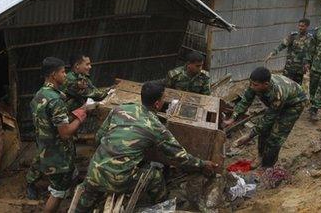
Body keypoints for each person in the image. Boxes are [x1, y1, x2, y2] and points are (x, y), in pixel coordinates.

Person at [72, 82, 218, 212]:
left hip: (94, 171)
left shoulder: (120, 109)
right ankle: (161, 206)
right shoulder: (156, 127)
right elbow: (180, 156)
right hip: (118, 180)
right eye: (163, 99)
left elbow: (98, 138)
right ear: (157, 104)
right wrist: (202, 164)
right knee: (155, 175)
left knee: (88, 196)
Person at [26, 57, 88, 212]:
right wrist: (81, 116)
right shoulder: (56, 101)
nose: (65, 75)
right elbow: (65, 133)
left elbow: (49, 123)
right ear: (54, 75)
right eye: (63, 72)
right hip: (59, 156)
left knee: (62, 187)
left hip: (46, 150)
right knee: (57, 193)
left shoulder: (40, 94)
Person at [223, 67, 307, 169]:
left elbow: (269, 118)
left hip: (294, 104)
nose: (252, 87)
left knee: (275, 138)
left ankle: (267, 167)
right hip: (278, 104)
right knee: (263, 131)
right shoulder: (255, 84)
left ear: (266, 84)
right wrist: (233, 117)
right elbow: (245, 100)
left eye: (255, 85)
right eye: (251, 83)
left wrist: (250, 135)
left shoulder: (277, 93)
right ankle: (261, 156)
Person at [264, 19, 312, 84]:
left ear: (307, 26)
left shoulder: (310, 39)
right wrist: (272, 53)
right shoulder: (293, 36)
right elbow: (282, 45)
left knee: (297, 86)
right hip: (290, 67)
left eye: (302, 26)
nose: (300, 28)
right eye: (299, 26)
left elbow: (310, 52)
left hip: (300, 69)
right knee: (285, 84)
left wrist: (308, 64)